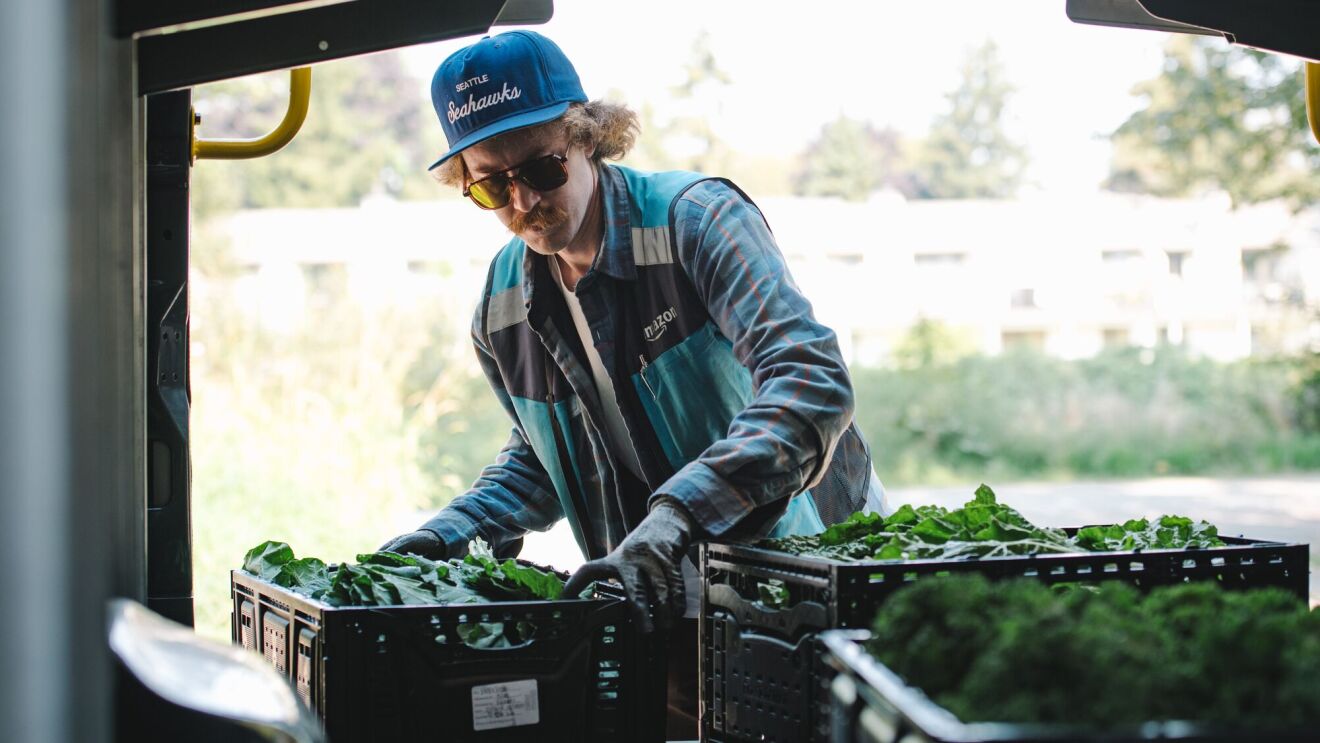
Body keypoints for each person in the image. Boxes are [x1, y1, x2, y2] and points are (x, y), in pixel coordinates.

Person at [379, 29, 887, 737]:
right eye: (492, 184)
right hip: (651, 610)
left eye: (543, 169)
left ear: (587, 136)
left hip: (804, 592)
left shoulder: (696, 221)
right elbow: (543, 458)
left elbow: (811, 383)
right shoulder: (500, 308)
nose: (523, 200)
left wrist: (677, 516)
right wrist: (452, 531)